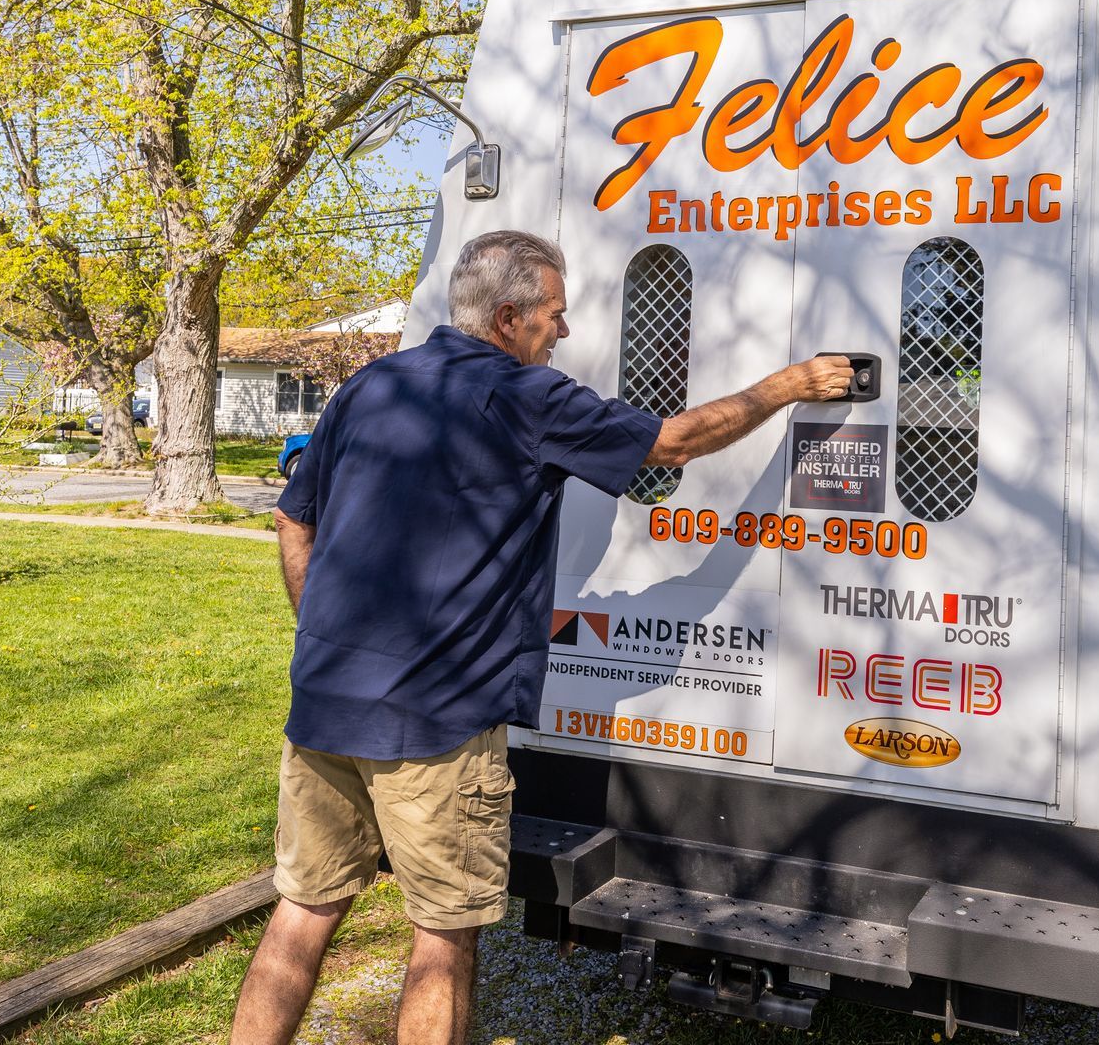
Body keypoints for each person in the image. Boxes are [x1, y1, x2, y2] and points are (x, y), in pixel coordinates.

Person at [229, 229, 852, 1044]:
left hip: (323, 707)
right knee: (443, 935)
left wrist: (318, 632)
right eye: (556, 316)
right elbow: (673, 443)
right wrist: (789, 385)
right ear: (510, 317)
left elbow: (291, 518)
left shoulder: (372, 385)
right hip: (437, 725)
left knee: (304, 910)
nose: (564, 332)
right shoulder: (527, 397)